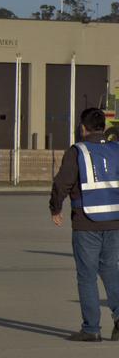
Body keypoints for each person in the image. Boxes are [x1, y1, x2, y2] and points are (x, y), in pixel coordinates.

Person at [49, 107, 119, 341]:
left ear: (83, 128)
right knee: (111, 271)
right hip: (114, 221)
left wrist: (55, 207)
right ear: (103, 127)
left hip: (86, 222)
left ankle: (91, 329)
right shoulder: (116, 149)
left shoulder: (78, 151)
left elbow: (63, 183)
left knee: (87, 275)